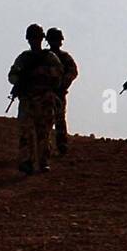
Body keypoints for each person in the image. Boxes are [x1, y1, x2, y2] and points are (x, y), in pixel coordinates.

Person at [8, 24, 63, 175]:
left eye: (36, 38)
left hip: (44, 98)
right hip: (27, 99)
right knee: (25, 131)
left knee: (43, 132)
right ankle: (26, 161)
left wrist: (41, 73)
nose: (34, 41)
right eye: (32, 38)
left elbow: (58, 76)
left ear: (41, 38)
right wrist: (20, 79)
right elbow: (12, 76)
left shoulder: (49, 57)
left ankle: (43, 161)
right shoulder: (24, 58)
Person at [45, 27, 78, 155]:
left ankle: (61, 144)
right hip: (45, 92)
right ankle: (45, 146)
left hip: (58, 92)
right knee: (46, 119)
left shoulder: (64, 57)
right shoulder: (44, 56)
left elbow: (73, 72)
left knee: (59, 118)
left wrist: (62, 84)